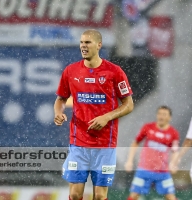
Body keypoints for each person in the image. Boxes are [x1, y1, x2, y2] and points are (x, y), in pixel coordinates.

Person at [54, 29, 134, 200]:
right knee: (75, 194)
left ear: (99, 45)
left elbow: (128, 105)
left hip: (104, 144)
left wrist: (107, 117)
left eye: (88, 42)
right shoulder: (71, 71)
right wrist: (58, 113)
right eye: (82, 42)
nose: (83, 46)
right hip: (79, 142)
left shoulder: (114, 72)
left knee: (99, 195)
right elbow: (60, 99)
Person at [125, 106, 179, 200]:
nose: (161, 117)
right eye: (159, 114)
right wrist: (129, 161)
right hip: (144, 169)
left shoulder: (173, 133)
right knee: (134, 195)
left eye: (164, 114)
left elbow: (175, 151)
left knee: (171, 197)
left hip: (163, 172)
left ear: (170, 117)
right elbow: (135, 143)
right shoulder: (148, 127)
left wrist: (173, 163)